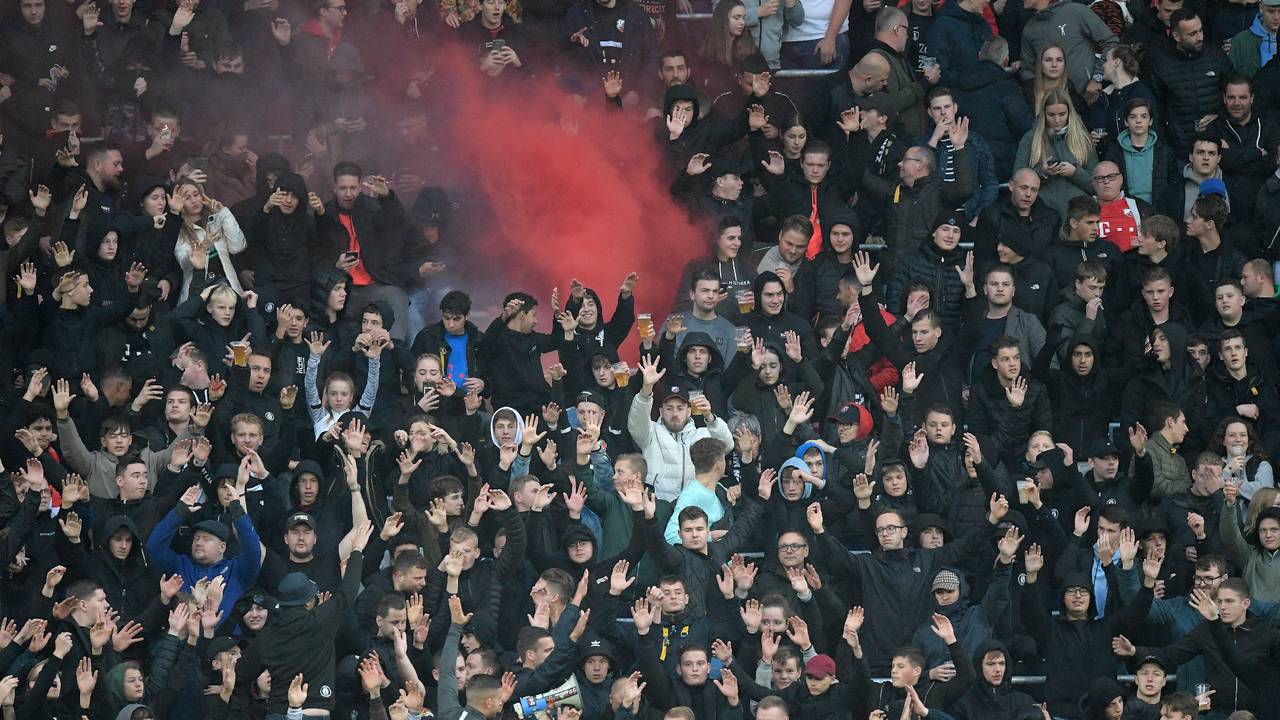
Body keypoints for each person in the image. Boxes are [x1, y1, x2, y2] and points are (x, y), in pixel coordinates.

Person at [1149, 9, 1233, 157]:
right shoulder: (1161, 64)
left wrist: (1220, 116)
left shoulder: (1216, 56)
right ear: (1176, 36)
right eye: (1192, 34)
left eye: (1200, 30)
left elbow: (1235, 94)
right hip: (1179, 148)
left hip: (1218, 143)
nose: (1200, 37)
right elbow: (1156, 110)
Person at [952, 37, 1035, 182]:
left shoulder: (957, 85)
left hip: (964, 161)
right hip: (1001, 166)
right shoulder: (1007, 87)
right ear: (1006, 60)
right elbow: (1024, 125)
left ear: (980, 55)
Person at [1015, 89, 1100, 219]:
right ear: (1043, 114)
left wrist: (1075, 173)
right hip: (1042, 212)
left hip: (1077, 213)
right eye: (1051, 115)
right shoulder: (1030, 138)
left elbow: (1096, 184)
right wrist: (1042, 172)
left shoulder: (1083, 139)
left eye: (1062, 114)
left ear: (1070, 113)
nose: (1057, 119)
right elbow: (1017, 178)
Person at [1019, 0, 1117, 96]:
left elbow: (1111, 42)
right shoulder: (1029, 29)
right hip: (1055, 105)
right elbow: (1026, 69)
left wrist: (1097, 78)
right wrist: (1043, 92)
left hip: (1089, 96)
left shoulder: (1075, 11)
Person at [1103, 98, 1173, 207]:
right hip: (1126, 210)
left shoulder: (1163, 150)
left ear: (1150, 121)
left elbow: (1172, 183)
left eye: (1144, 116)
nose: (1138, 121)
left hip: (1159, 210)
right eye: (1133, 117)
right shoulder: (1115, 152)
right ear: (1126, 122)